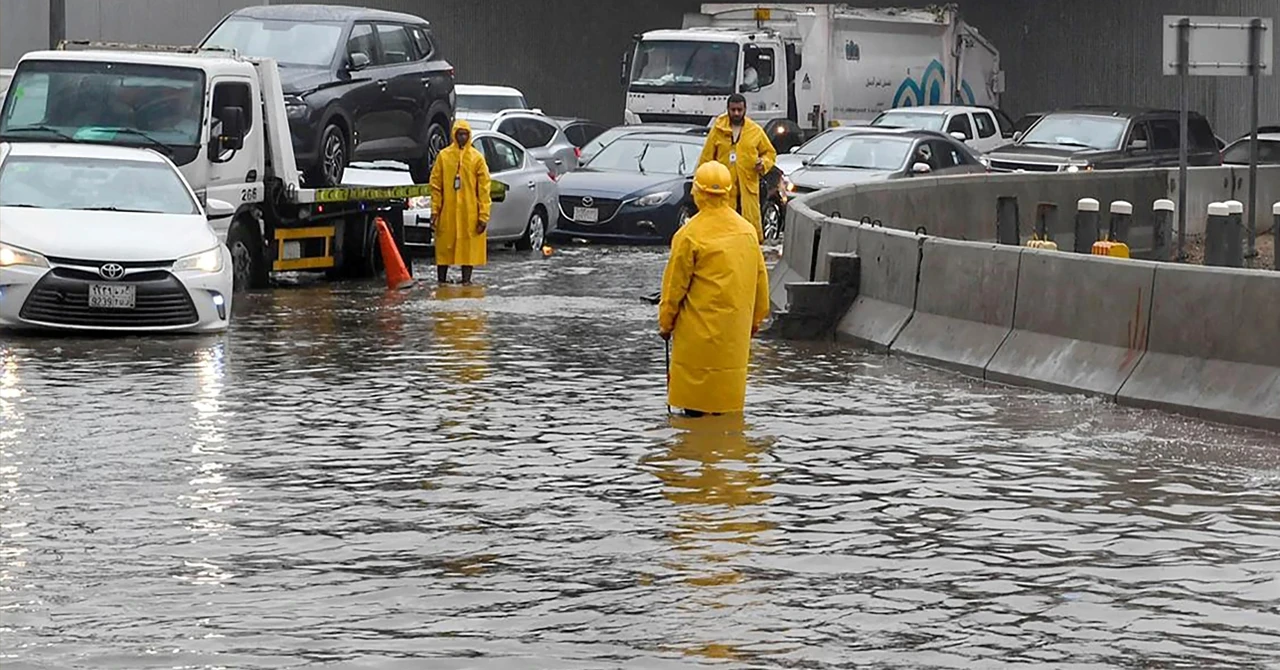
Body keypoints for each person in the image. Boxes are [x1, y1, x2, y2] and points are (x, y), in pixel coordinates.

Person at [658, 161, 770, 418]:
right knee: (726, 415)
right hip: (734, 341)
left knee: (694, 417)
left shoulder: (689, 235)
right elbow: (761, 286)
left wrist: (666, 324)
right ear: (729, 192)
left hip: (695, 344)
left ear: (697, 192)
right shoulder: (748, 232)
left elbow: (674, 289)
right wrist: (753, 324)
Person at [697, 93, 777, 244]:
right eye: (733, 110)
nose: (736, 113)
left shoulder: (755, 130)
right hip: (724, 190)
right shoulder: (718, 130)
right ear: (727, 109)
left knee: (748, 233)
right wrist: (699, 184)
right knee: (724, 232)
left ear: (745, 109)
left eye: (739, 110)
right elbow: (706, 159)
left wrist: (763, 163)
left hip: (748, 190)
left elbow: (770, 153)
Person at [429, 119, 491, 285]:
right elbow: (435, 185)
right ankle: (441, 282)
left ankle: (466, 281)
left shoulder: (477, 158)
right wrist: (435, 211)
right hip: (447, 212)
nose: (462, 137)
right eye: (459, 134)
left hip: (469, 213)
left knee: (468, 250)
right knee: (444, 249)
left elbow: (484, 189)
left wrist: (483, 216)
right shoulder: (444, 157)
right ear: (454, 135)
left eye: (465, 134)